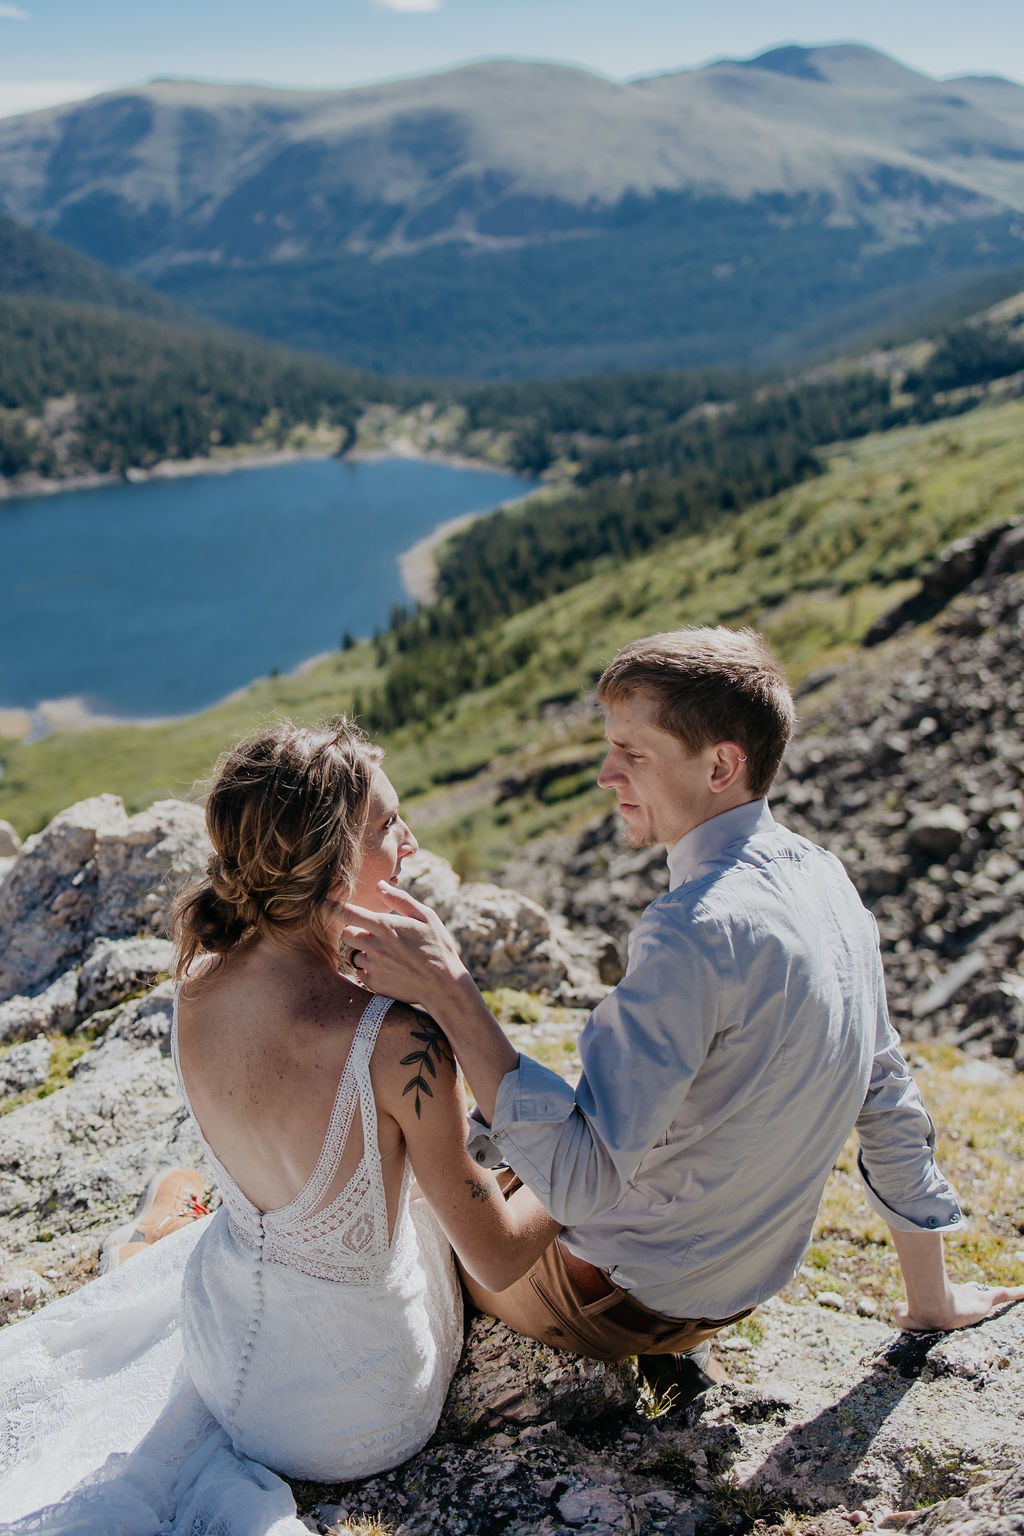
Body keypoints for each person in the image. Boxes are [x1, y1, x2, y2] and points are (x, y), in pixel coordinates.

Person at [342, 626, 1024, 1397]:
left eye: (633, 754)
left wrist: (450, 988)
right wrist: (928, 1300)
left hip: (611, 1304)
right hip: (735, 1294)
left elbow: (578, 1182)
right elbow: (887, 1091)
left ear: (722, 765)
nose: (606, 774)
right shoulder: (825, 879)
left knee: (403, 1175)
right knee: (504, 1136)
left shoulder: (691, 929)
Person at [0, 719, 558, 1535]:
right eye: (385, 827)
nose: (409, 842)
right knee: (458, 1197)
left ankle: (160, 1225)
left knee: (247, 1222)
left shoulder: (196, 980)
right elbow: (503, 1254)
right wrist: (591, 1161)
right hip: (364, 1416)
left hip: (225, 1357)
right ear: (327, 860)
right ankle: (163, 1223)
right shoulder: (397, 1039)